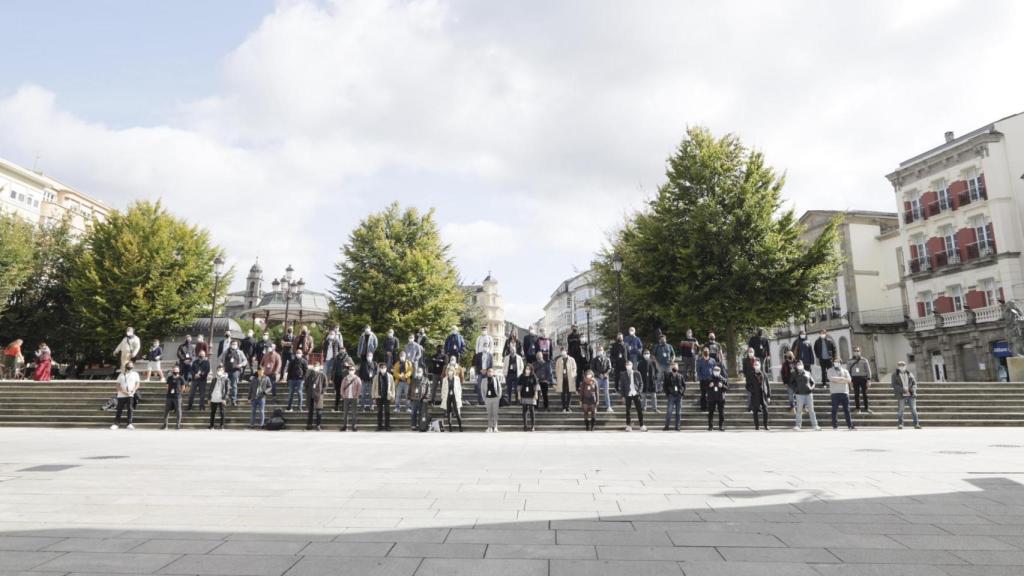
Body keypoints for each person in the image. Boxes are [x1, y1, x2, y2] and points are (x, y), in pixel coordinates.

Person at [891, 360, 921, 430]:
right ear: (898, 367)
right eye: (900, 366)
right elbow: (894, 385)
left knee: (913, 409)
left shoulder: (910, 373)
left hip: (911, 394)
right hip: (901, 394)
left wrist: (912, 390)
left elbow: (914, 384)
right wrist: (903, 389)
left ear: (905, 366)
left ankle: (916, 424)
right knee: (901, 410)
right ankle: (900, 424)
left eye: (903, 365)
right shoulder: (894, 375)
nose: (902, 367)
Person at [827, 357, 855, 430]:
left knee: (847, 410)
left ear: (840, 363)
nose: (837, 363)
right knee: (834, 410)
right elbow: (831, 378)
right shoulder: (830, 370)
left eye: (838, 361)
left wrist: (838, 380)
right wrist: (842, 379)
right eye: (835, 361)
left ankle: (850, 425)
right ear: (833, 363)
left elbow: (849, 380)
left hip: (844, 392)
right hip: (835, 393)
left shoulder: (845, 371)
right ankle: (835, 426)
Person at [792, 362, 821, 431]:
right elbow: (791, 383)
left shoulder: (808, 373)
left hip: (808, 394)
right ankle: (798, 426)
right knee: (799, 410)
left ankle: (815, 425)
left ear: (803, 365)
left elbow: (813, 382)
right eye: (798, 364)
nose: (799, 365)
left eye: (800, 364)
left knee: (811, 410)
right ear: (796, 366)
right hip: (799, 394)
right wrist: (796, 389)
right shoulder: (794, 373)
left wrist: (811, 388)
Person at [111, 361, 140, 430]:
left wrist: (133, 390)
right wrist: (124, 391)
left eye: (131, 365)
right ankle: (116, 423)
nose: (130, 367)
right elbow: (117, 385)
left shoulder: (135, 374)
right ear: (126, 367)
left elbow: (137, 384)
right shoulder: (121, 374)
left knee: (130, 409)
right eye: (129, 365)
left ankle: (129, 423)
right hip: (121, 395)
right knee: (119, 409)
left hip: (130, 395)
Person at [619, 360, 646, 431]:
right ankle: (628, 426)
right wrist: (623, 396)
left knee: (639, 410)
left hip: (636, 393)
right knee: (628, 411)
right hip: (628, 394)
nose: (628, 366)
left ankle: (642, 425)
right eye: (627, 365)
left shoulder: (637, 373)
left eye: (629, 364)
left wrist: (639, 392)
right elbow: (621, 386)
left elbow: (641, 383)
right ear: (625, 366)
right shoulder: (623, 374)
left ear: (632, 365)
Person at [220, 340, 247, 406]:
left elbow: (245, 360)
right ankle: (224, 399)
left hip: (235, 371)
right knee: (225, 385)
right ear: (230, 344)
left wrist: (241, 365)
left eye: (235, 344)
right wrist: (222, 366)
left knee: (234, 385)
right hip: (226, 370)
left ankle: (233, 400)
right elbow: (221, 359)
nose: (234, 345)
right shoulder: (226, 352)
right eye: (233, 344)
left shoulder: (240, 352)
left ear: (237, 345)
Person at [848, 346, 873, 414]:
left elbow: (868, 370)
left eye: (858, 351)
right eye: (855, 351)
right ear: (853, 352)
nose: (856, 352)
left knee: (865, 394)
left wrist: (869, 380)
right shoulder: (850, 361)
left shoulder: (864, 360)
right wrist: (850, 381)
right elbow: (848, 371)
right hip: (854, 378)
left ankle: (867, 408)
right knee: (856, 394)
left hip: (863, 378)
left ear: (860, 351)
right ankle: (858, 408)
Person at [748, 359, 771, 431]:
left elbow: (768, 385)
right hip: (755, 395)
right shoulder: (751, 375)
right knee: (755, 411)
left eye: (757, 364)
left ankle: (766, 425)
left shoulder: (764, 374)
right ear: (753, 366)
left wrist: (769, 396)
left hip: (763, 394)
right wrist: (752, 391)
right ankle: (757, 426)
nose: (756, 366)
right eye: (755, 365)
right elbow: (747, 386)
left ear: (760, 365)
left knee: (765, 410)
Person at [329, 343, 354, 412]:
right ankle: (336, 407)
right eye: (341, 350)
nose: (341, 351)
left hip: (345, 378)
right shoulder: (336, 358)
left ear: (345, 350)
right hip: (337, 377)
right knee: (337, 393)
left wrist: (348, 365)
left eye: (343, 350)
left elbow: (353, 366)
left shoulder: (348, 358)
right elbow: (333, 368)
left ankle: (344, 407)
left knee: (345, 392)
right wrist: (331, 378)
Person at [662, 361, 686, 431]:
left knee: (678, 412)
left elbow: (684, 385)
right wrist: (668, 394)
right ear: (670, 367)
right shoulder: (667, 376)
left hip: (679, 396)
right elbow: (665, 386)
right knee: (669, 411)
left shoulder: (680, 376)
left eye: (675, 366)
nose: (674, 367)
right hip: (671, 396)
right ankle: (667, 426)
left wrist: (681, 393)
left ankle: (677, 426)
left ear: (677, 367)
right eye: (672, 366)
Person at [590, 345, 614, 413]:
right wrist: (598, 374)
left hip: (605, 378)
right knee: (596, 393)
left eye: (601, 350)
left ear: (603, 351)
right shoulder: (594, 360)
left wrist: (606, 374)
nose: (600, 351)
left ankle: (608, 406)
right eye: (598, 350)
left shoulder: (607, 359)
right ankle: (595, 407)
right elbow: (592, 368)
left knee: (606, 392)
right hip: (597, 378)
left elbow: (609, 368)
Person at [161, 365, 185, 430]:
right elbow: (167, 386)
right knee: (166, 411)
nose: (175, 371)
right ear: (172, 371)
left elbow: (183, 387)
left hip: (177, 397)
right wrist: (168, 391)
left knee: (178, 411)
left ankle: (178, 425)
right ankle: (165, 425)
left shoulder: (181, 378)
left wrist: (179, 393)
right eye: (174, 370)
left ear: (179, 371)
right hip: (169, 396)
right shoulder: (169, 378)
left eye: (176, 370)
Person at [304, 363, 328, 431]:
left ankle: (318, 425)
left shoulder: (322, 375)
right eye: (314, 366)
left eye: (316, 366)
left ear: (319, 367)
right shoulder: (309, 375)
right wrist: (307, 391)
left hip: (318, 395)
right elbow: (306, 384)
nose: (315, 368)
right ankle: (309, 425)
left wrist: (322, 392)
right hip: (310, 394)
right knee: (310, 411)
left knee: (319, 411)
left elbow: (325, 385)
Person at [372, 361, 395, 431]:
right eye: (381, 368)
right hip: (379, 396)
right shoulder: (376, 377)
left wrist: (393, 396)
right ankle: (379, 426)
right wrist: (373, 397)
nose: (382, 369)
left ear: (386, 368)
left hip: (387, 396)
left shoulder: (390, 376)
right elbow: (373, 387)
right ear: (379, 368)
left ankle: (387, 426)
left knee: (387, 412)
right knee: (379, 412)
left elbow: (393, 387)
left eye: (384, 368)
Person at [554, 346, 577, 413]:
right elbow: (556, 369)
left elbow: (574, 368)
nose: (562, 352)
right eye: (561, 351)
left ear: (566, 351)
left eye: (563, 350)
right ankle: (564, 407)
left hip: (569, 378)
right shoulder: (558, 360)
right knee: (563, 393)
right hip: (562, 379)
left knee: (569, 393)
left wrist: (573, 374)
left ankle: (568, 407)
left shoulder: (571, 359)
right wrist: (558, 377)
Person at [439, 364, 463, 432]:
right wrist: (443, 397)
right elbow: (443, 389)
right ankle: (450, 427)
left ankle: (460, 426)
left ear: (454, 371)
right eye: (449, 370)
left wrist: (459, 396)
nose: (450, 371)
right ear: (447, 371)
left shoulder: (457, 378)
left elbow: (459, 388)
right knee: (448, 412)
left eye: (452, 370)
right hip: (447, 396)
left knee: (457, 411)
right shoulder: (444, 379)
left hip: (455, 396)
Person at [338, 364, 361, 431]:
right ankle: (345, 426)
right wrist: (343, 395)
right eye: (350, 370)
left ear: (355, 371)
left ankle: (354, 426)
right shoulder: (345, 378)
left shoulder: (357, 379)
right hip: (346, 397)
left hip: (354, 398)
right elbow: (342, 387)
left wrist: (357, 395)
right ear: (348, 371)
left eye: (352, 370)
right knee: (345, 412)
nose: (351, 371)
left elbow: (359, 388)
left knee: (354, 412)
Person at [696, 347, 718, 411]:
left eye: (707, 351)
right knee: (703, 394)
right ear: (703, 352)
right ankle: (703, 407)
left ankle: (712, 407)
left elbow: (715, 369)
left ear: (709, 352)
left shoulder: (713, 360)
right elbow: (698, 370)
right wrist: (701, 378)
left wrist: (714, 379)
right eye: (705, 351)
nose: (706, 352)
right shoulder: (700, 360)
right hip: (703, 380)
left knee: (712, 394)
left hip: (711, 380)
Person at [707, 366, 728, 431]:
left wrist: (722, 386)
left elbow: (727, 388)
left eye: (717, 371)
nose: (716, 372)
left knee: (721, 412)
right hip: (712, 397)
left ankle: (721, 426)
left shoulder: (723, 379)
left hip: (720, 398)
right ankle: (710, 426)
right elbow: (705, 388)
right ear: (713, 371)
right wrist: (709, 386)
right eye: (715, 370)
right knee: (711, 412)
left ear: (719, 371)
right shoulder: (709, 378)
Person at [518, 363, 538, 431]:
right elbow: (519, 386)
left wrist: (536, 394)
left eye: (529, 369)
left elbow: (536, 386)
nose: (527, 370)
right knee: (524, 411)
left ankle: (533, 426)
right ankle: (525, 426)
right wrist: (519, 395)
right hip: (524, 395)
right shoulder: (521, 376)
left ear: (531, 370)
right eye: (526, 369)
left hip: (531, 395)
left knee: (532, 410)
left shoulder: (533, 376)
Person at [409, 366, 430, 431]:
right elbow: (410, 389)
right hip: (414, 399)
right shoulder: (413, 379)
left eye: (420, 371)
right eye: (418, 372)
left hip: (422, 399)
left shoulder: (426, 380)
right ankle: (413, 426)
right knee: (413, 413)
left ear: (422, 372)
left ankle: (421, 425)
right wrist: (409, 397)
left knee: (421, 413)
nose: (418, 373)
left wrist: (426, 397)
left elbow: (428, 389)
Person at [638, 349, 658, 413]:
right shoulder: (640, 363)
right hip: (643, 382)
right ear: (643, 355)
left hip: (652, 382)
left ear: (649, 354)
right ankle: (643, 408)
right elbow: (638, 373)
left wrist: (655, 377)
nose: (646, 355)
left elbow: (657, 371)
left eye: (647, 353)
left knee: (654, 396)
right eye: (645, 353)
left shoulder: (653, 362)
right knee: (643, 396)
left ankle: (654, 408)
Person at [482, 367, 502, 432]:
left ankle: (495, 427)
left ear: (493, 373)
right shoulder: (484, 380)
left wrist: (499, 397)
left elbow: (500, 388)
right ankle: (489, 427)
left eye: (491, 371)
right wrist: (484, 399)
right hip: (488, 398)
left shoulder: (496, 379)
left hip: (495, 398)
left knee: (495, 413)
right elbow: (482, 390)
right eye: (489, 372)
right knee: (489, 413)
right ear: (487, 373)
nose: (490, 373)